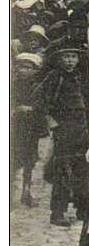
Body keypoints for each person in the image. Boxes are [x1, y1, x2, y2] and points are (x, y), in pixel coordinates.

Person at [32, 46, 89, 225]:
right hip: (64, 130)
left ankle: (82, 209)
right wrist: (51, 121)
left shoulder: (80, 77)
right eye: (66, 57)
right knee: (63, 170)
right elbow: (39, 99)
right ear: (59, 59)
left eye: (73, 57)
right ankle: (57, 213)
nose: (70, 61)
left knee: (82, 168)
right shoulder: (54, 77)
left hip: (81, 129)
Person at [11, 53, 47, 208]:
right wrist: (15, 109)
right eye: (21, 66)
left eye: (28, 67)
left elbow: (42, 105)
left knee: (29, 160)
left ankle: (26, 191)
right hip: (14, 127)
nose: (24, 70)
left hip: (31, 128)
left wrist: (32, 109)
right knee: (13, 159)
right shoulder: (12, 84)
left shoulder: (39, 86)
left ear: (35, 70)